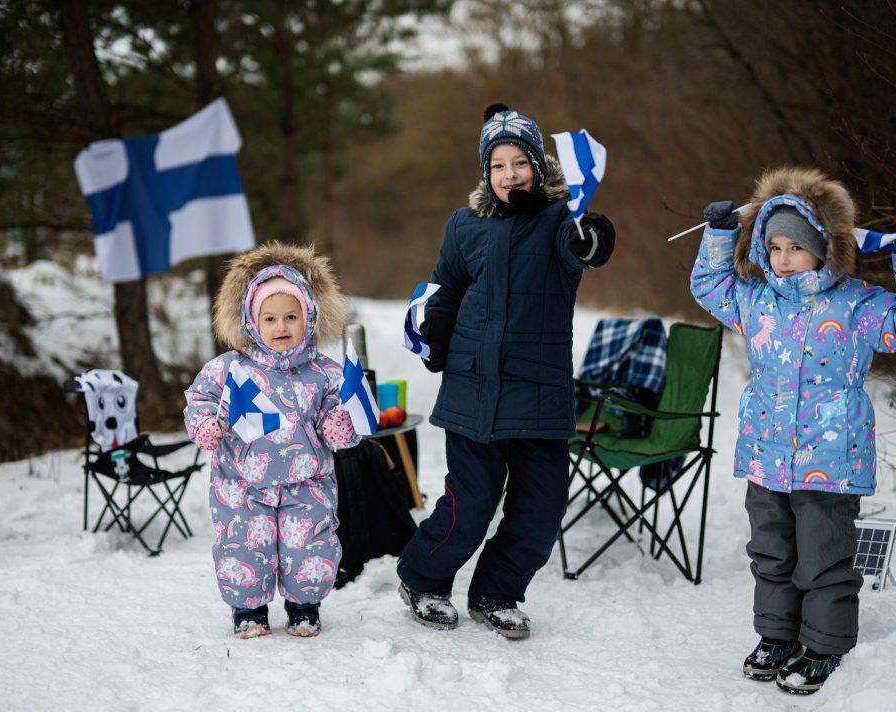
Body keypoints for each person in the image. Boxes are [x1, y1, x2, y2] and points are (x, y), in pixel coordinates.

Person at [691, 167, 896, 694]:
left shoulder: (856, 305)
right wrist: (718, 236)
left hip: (830, 459)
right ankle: (777, 636)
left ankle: (826, 644)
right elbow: (709, 286)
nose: (783, 258)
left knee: (823, 555)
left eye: (795, 247)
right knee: (771, 552)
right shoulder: (756, 300)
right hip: (766, 454)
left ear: (825, 247)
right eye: (775, 246)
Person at [396, 103, 617, 640]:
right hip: (474, 388)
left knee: (539, 513)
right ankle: (423, 578)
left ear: (539, 167)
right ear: (485, 172)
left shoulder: (562, 221)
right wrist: (434, 339)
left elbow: (589, 248)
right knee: (469, 505)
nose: (509, 174)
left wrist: (591, 230)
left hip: (539, 392)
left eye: (520, 162)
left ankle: (497, 593)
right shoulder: (465, 224)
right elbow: (445, 287)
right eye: (497, 165)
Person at [184, 242, 359, 638]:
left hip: (307, 484)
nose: (282, 327)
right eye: (271, 318)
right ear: (251, 322)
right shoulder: (228, 369)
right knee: (245, 545)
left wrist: (339, 426)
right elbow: (199, 400)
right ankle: (249, 610)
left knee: (309, 545)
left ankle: (304, 605)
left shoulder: (324, 372)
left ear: (309, 318)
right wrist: (204, 425)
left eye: (291, 317)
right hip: (241, 484)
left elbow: (344, 412)